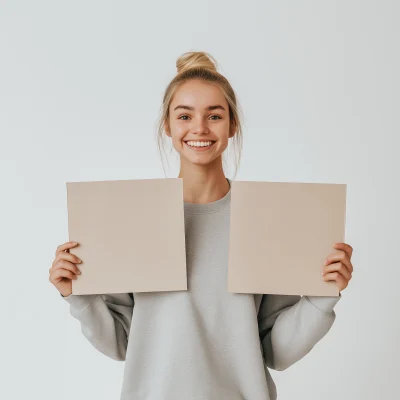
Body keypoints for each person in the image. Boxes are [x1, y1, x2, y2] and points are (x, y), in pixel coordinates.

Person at [49, 51, 354, 400]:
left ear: (232, 125)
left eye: (215, 115)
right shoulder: (133, 216)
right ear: (168, 125)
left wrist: (322, 294)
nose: (199, 128)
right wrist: (78, 293)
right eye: (184, 115)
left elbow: (276, 352)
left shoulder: (264, 215)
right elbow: (121, 343)